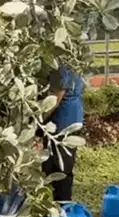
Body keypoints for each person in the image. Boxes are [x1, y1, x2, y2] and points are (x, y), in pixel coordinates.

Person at [40, 64, 84, 202]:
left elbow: (54, 100)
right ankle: (54, 204)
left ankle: (62, 204)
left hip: (63, 123)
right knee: (51, 165)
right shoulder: (71, 64)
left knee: (61, 167)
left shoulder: (60, 68)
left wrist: (36, 122)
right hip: (69, 119)